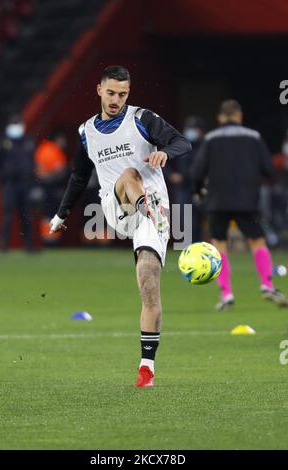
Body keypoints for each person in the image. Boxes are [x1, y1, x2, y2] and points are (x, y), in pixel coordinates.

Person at [49, 65, 191, 387]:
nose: (116, 100)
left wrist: (165, 153)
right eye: (111, 93)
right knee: (129, 175)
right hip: (118, 206)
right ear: (99, 90)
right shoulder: (87, 132)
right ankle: (151, 211)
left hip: (154, 209)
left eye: (122, 94)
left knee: (148, 282)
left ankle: (146, 370)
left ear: (129, 93)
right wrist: (61, 215)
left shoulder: (142, 119)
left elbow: (183, 143)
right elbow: (79, 176)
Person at [192, 99, 288, 310]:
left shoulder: (210, 138)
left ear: (220, 118)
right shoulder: (253, 137)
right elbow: (269, 170)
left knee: (220, 246)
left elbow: (197, 172)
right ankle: (267, 284)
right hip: (247, 201)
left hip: (217, 201)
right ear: (239, 116)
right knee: (257, 242)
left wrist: (199, 192)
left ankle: (226, 294)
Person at [0, 114, 35, 251]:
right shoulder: (2, 142)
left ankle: (29, 246)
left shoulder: (28, 141)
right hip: (9, 183)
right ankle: (3, 245)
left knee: (26, 215)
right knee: (8, 215)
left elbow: (31, 162)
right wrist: (4, 175)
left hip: (24, 183)